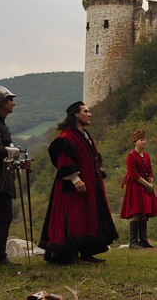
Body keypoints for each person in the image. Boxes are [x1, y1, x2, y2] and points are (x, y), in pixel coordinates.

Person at [40, 101, 118, 264]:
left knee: (88, 217)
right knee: (73, 218)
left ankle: (86, 252)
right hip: (72, 186)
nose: (89, 114)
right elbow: (63, 159)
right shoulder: (66, 136)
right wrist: (75, 179)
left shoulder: (84, 134)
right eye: (85, 111)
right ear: (76, 114)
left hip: (89, 184)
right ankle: (70, 255)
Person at [119, 129, 157, 249]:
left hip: (146, 184)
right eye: (141, 140)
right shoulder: (131, 156)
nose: (144, 142)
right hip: (136, 185)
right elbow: (133, 174)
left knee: (145, 212)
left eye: (144, 139)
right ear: (135, 142)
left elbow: (150, 171)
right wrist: (147, 185)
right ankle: (133, 242)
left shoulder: (146, 155)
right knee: (136, 211)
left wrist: (150, 182)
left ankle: (143, 240)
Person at [0, 86, 19, 265]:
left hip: (3, 177)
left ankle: (0, 255)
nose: (13, 103)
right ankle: (0, 256)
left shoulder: (1, 123)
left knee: (4, 216)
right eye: (9, 100)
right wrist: (14, 151)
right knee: (3, 216)